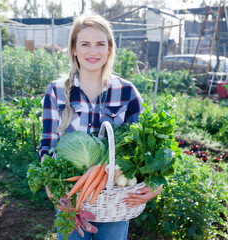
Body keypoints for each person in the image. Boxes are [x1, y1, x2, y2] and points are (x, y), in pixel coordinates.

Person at [38, 14, 163, 240]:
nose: (93, 51)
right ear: (74, 49)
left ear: (109, 49)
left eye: (100, 44)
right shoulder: (55, 91)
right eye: (85, 44)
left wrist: (156, 185)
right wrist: (51, 187)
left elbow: (144, 150)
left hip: (115, 201)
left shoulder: (127, 92)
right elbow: (47, 144)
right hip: (71, 196)